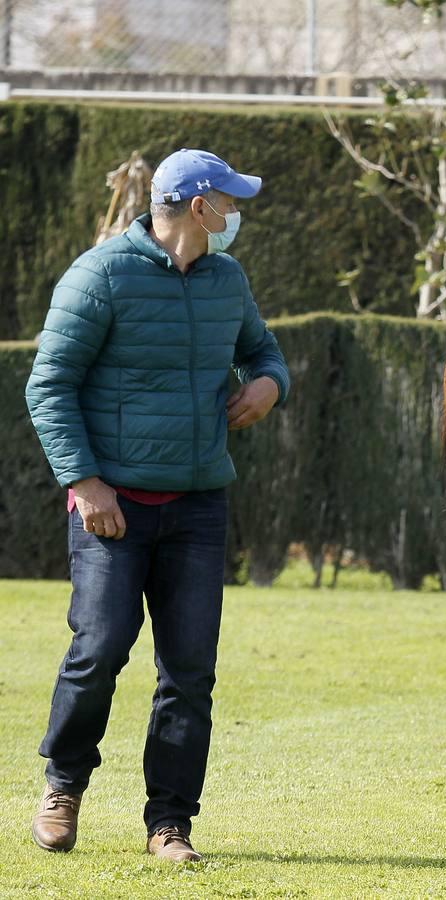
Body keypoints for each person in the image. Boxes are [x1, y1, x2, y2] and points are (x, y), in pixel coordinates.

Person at [25, 149, 290, 861]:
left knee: (189, 673)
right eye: (229, 202)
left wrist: (270, 385)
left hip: (199, 507)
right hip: (112, 509)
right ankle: (63, 784)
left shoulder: (227, 279)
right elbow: (47, 385)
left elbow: (264, 354)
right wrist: (84, 484)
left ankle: (169, 824)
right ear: (199, 207)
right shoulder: (100, 275)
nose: (237, 214)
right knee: (99, 650)